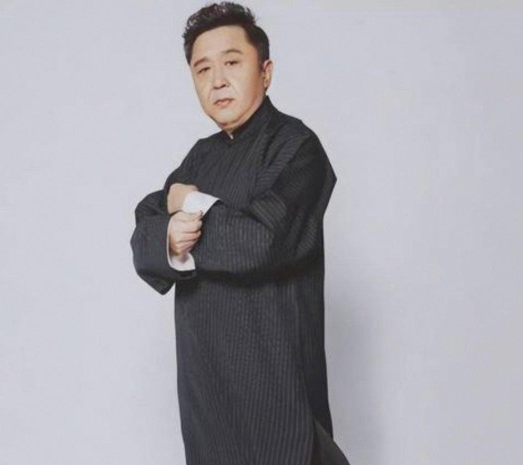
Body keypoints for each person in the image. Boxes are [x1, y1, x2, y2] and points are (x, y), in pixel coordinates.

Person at [130, 3, 351, 464]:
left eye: (232, 62)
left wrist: (189, 208)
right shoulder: (200, 157)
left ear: (265, 72)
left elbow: (260, 242)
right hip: (207, 399)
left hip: (278, 397)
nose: (217, 80)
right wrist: (169, 236)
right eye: (202, 69)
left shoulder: (296, 147)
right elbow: (143, 235)